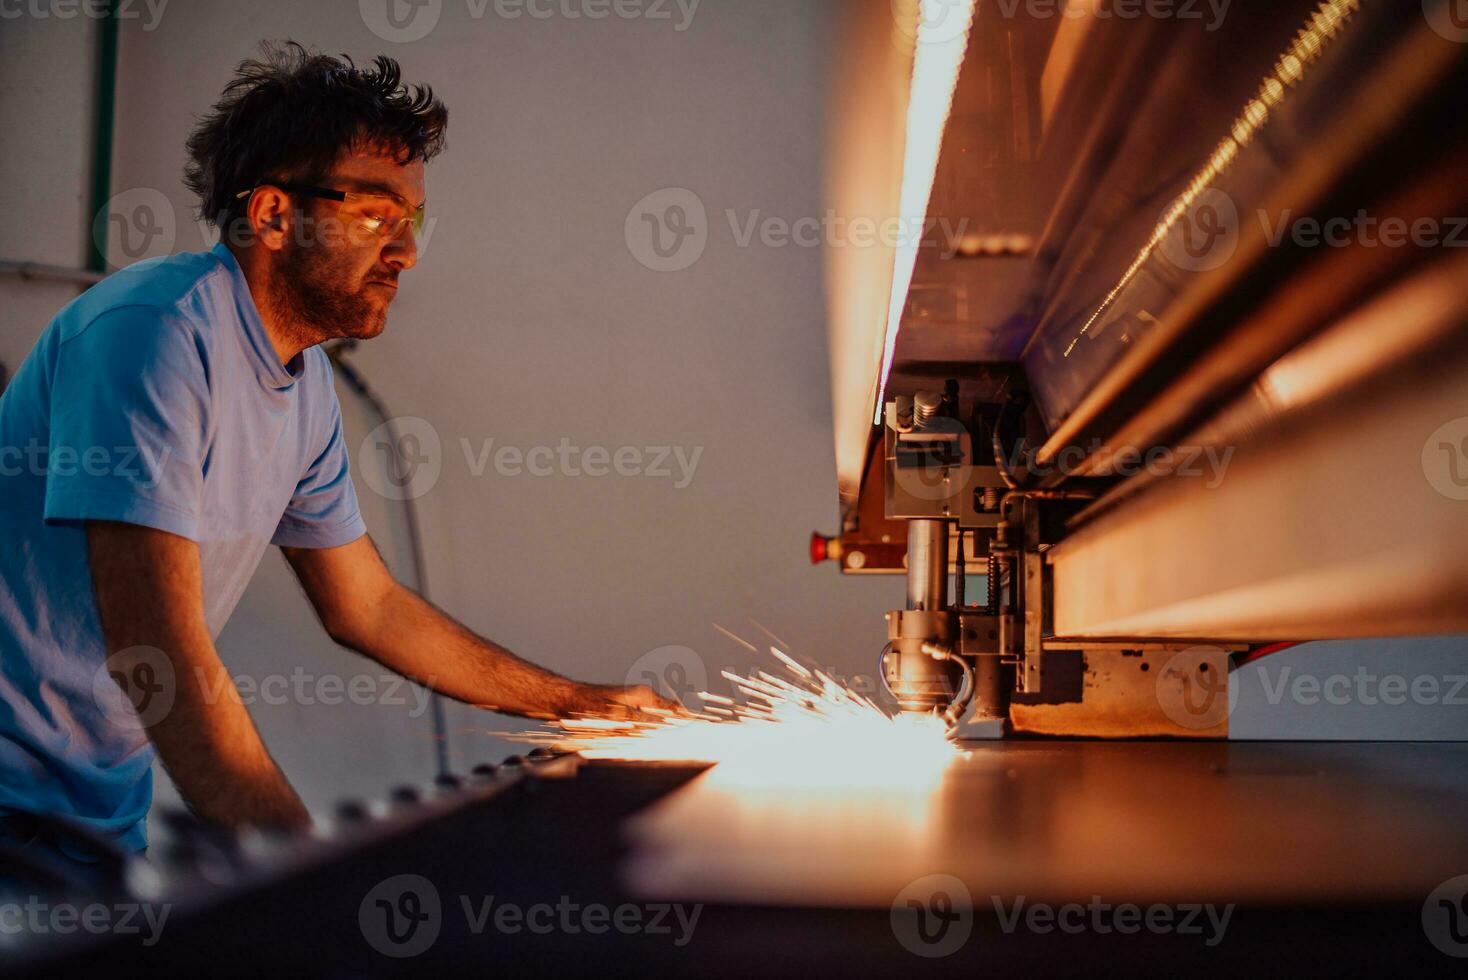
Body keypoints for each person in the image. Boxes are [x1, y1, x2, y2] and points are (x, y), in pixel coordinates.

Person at [0, 42, 676, 866]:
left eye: (411, 221)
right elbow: (158, 647)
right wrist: (303, 873)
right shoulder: (155, 332)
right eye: (376, 215)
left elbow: (370, 607)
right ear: (275, 215)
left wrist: (577, 704)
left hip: (92, 810)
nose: (406, 252)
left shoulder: (303, 379)